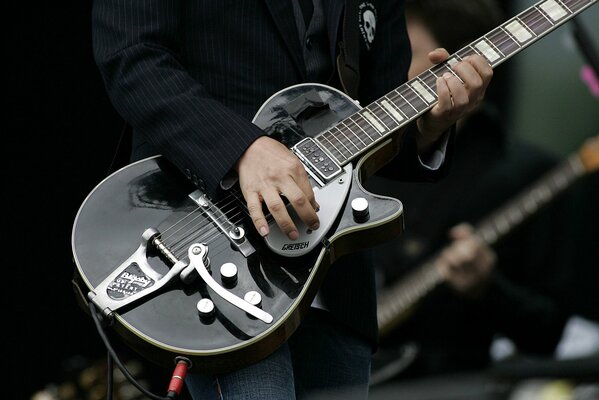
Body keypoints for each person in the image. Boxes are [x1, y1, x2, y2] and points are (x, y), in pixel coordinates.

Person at [90, 1, 493, 398]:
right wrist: (241, 149)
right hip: (213, 244)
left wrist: (430, 124)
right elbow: (132, 55)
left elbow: (375, 119)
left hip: (336, 277)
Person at [366, 0, 572, 388]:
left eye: (405, 53)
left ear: (458, 66)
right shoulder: (368, 161)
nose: (388, 68)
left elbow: (549, 332)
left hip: (453, 385)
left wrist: (487, 286)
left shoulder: (528, 172)